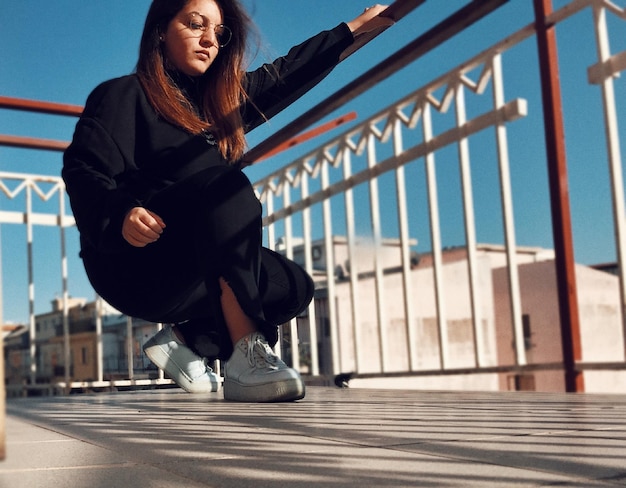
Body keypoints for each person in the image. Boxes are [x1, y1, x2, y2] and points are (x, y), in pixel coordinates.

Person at [62, 0, 392, 402]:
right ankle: (247, 357)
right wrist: (120, 214)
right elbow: (84, 170)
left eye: (219, 33)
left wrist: (354, 29)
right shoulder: (123, 95)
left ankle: (181, 341)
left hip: (192, 267)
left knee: (292, 286)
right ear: (161, 30)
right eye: (195, 24)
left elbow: (284, 74)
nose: (209, 40)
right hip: (132, 260)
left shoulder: (219, 106)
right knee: (227, 186)